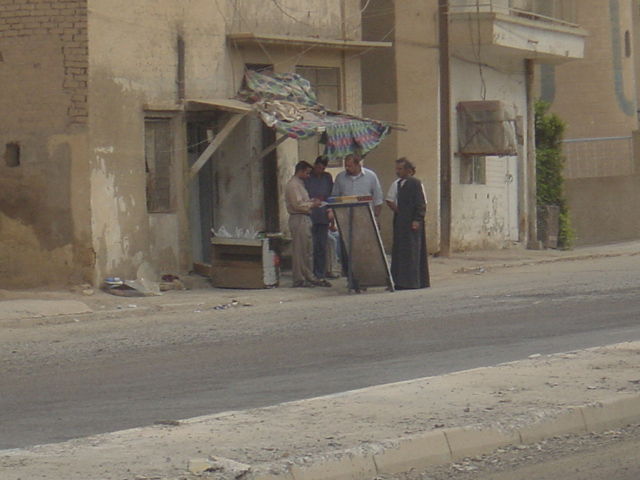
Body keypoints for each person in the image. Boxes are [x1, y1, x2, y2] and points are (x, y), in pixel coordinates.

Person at [331, 154, 384, 290]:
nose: (347, 168)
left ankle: (364, 278)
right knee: (346, 249)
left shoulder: (371, 177)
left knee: (364, 250)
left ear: (358, 165)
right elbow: (335, 197)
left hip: (364, 219)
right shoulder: (340, 178)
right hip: (345, 220)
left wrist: (376, 217)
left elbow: (378, 199)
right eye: (345, 166)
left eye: (350, 166)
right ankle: (351, 279)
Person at [284, 161, 332, 288]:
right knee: (300, 251)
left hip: (305, 218)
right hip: (298, 217)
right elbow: (297, 205)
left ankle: (309, 276)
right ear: (300, 171)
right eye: (307, 173)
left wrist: (312, 202)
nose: (308, 176)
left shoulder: (300, 184)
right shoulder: (293, 185)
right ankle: (299, 279)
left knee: (307, 250)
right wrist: (312, 205)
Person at [389, 157, 430, 290]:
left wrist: (417, 219)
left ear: (408, 170)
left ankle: (412, 282)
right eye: (397, 169)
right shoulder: (399, 184)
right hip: (401, 223)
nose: (397, 171)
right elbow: (390, 201)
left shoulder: (415, 183)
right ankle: (400, 281)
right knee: (400, 252)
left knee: (412, 252)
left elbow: (420, 204)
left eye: (400, 169)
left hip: (412, 223)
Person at [304, 156, 336, 280]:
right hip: (310, 214)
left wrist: (331, 211)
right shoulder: (308, 177)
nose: (319, 170)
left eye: (322, 168)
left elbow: (331, 195)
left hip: (323, 215)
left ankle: (320, 273)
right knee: (311, 245)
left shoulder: (327, 177)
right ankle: (310, 272)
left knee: (322, 246)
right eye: (318, 168)